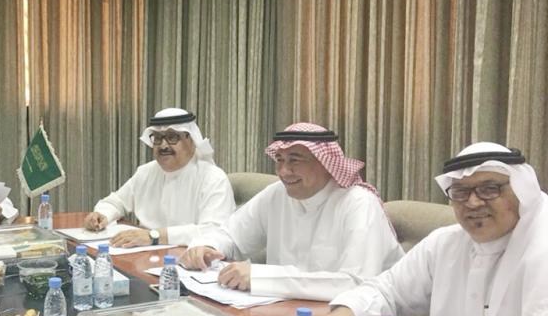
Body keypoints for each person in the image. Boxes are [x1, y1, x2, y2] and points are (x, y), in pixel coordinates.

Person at [314, 143, 548, 316]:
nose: (473, 202)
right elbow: (387, 289)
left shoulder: (540, 248)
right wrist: (349, 309)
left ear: (521, 191)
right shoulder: (446, 242)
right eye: (460, 192)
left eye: (490, 189)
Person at [180, 122, 402, 300]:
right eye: (280, 160)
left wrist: (262, 278)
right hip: (288, 312)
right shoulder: (277, 194)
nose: (284, 171)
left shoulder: (358, 203)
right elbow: (231, 235)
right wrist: (208, 247)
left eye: (295, 160)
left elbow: (355, 283)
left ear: (325, 163)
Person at [83, 108, 235, 248]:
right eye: (157, 138)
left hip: (189, 259)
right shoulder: (146, 172)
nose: (163, 146)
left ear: (192, 140)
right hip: (143, 255)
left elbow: (214, 231)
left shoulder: (213, 178)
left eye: (172, 137)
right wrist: (101, 215)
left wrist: (154, 236)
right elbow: (117, 202)